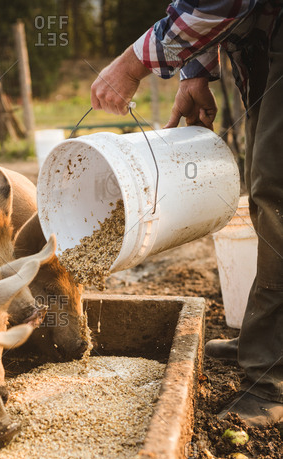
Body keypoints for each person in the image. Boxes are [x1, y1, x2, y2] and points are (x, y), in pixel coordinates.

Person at [91, 0, 283, 427]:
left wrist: (130, 64)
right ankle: (265, 337)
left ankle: (271, 376)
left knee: (276, 194)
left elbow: (222, 2)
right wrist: (194, 71)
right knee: (265, 184)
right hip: (262, 42)